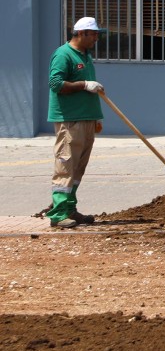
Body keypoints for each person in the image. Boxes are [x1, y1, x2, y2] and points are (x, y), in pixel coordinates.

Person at [47, 17, 106, 229]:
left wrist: (95, 116)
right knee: (66, 165)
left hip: (87, 118)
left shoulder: (85, 55)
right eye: (94, 34)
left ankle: (70, 209)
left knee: (78, 168)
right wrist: (83, 84)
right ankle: (58, 214)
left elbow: (90, 90)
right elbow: (55, 84)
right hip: (70, 120)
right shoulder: (63, 54)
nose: (97, 38)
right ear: (81, 33)